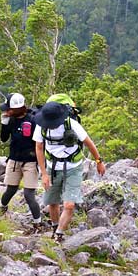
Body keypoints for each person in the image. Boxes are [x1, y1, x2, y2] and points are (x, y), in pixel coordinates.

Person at [33, 100, 105, 243]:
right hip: (52, 168)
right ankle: (55, 228)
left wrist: (99, 162)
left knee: (69, 205)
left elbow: (88, 142)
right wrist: (44, 174)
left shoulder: (71, 124)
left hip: (73, 167)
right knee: (52, 202)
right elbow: (39, 148)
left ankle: (59, 234)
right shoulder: (41, 127)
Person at [0, 93, 43, 231]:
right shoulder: (10, 119)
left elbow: (40, 143)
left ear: (17, 109)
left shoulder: (33, 120)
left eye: (8, 109)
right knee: (10, 189)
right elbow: (4, 138)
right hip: (14, 160)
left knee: (29, 194)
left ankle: (37, 223)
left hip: (30, 162)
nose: (6, 111)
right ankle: (2, 209)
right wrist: (4, 124)